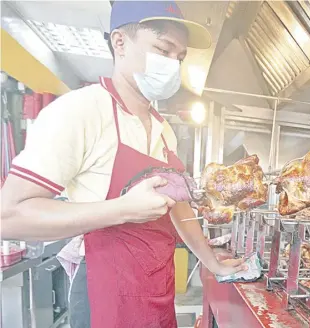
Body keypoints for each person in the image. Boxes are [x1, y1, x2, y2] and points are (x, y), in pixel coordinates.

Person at [1, 2, 246, 328]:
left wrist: (212, 262)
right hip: (107, 298)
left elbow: (180, 211)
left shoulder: (166, 132)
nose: (173, 64)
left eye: (180, 57)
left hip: (158, 294)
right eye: (163, 49)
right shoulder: (82, 111)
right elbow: (9, 216)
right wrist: (124, 209)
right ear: (120, 42)